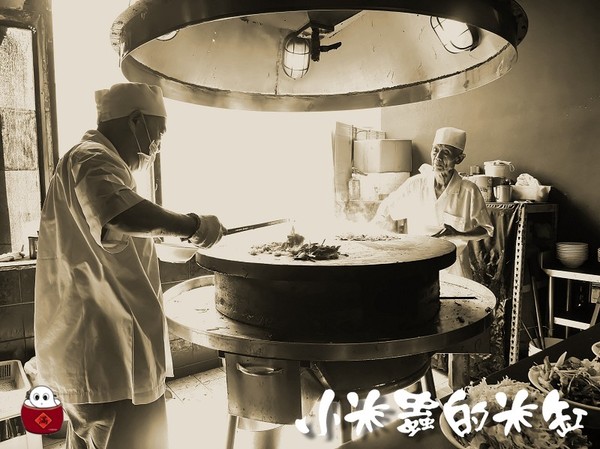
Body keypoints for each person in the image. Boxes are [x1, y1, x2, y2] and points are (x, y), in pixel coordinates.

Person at [34, 82, 226, 449]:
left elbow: (116, 237)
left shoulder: (101, 166)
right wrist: (193, 225)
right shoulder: (91, 157)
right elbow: (120, 215)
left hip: (95, 359)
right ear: (136, 120)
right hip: (108, 358)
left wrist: (178, 241)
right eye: (158, 134)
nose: (158, 145)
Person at [373, 126, 493, 279]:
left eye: (446, 152)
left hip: (454, 268)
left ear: (459, 158)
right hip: (419, 263)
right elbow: (387, 208)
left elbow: (487, 229)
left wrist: (458, 234)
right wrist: (374, 233)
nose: (438, 157)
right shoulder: (416, 184)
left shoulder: (469, 191)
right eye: (435, 150)